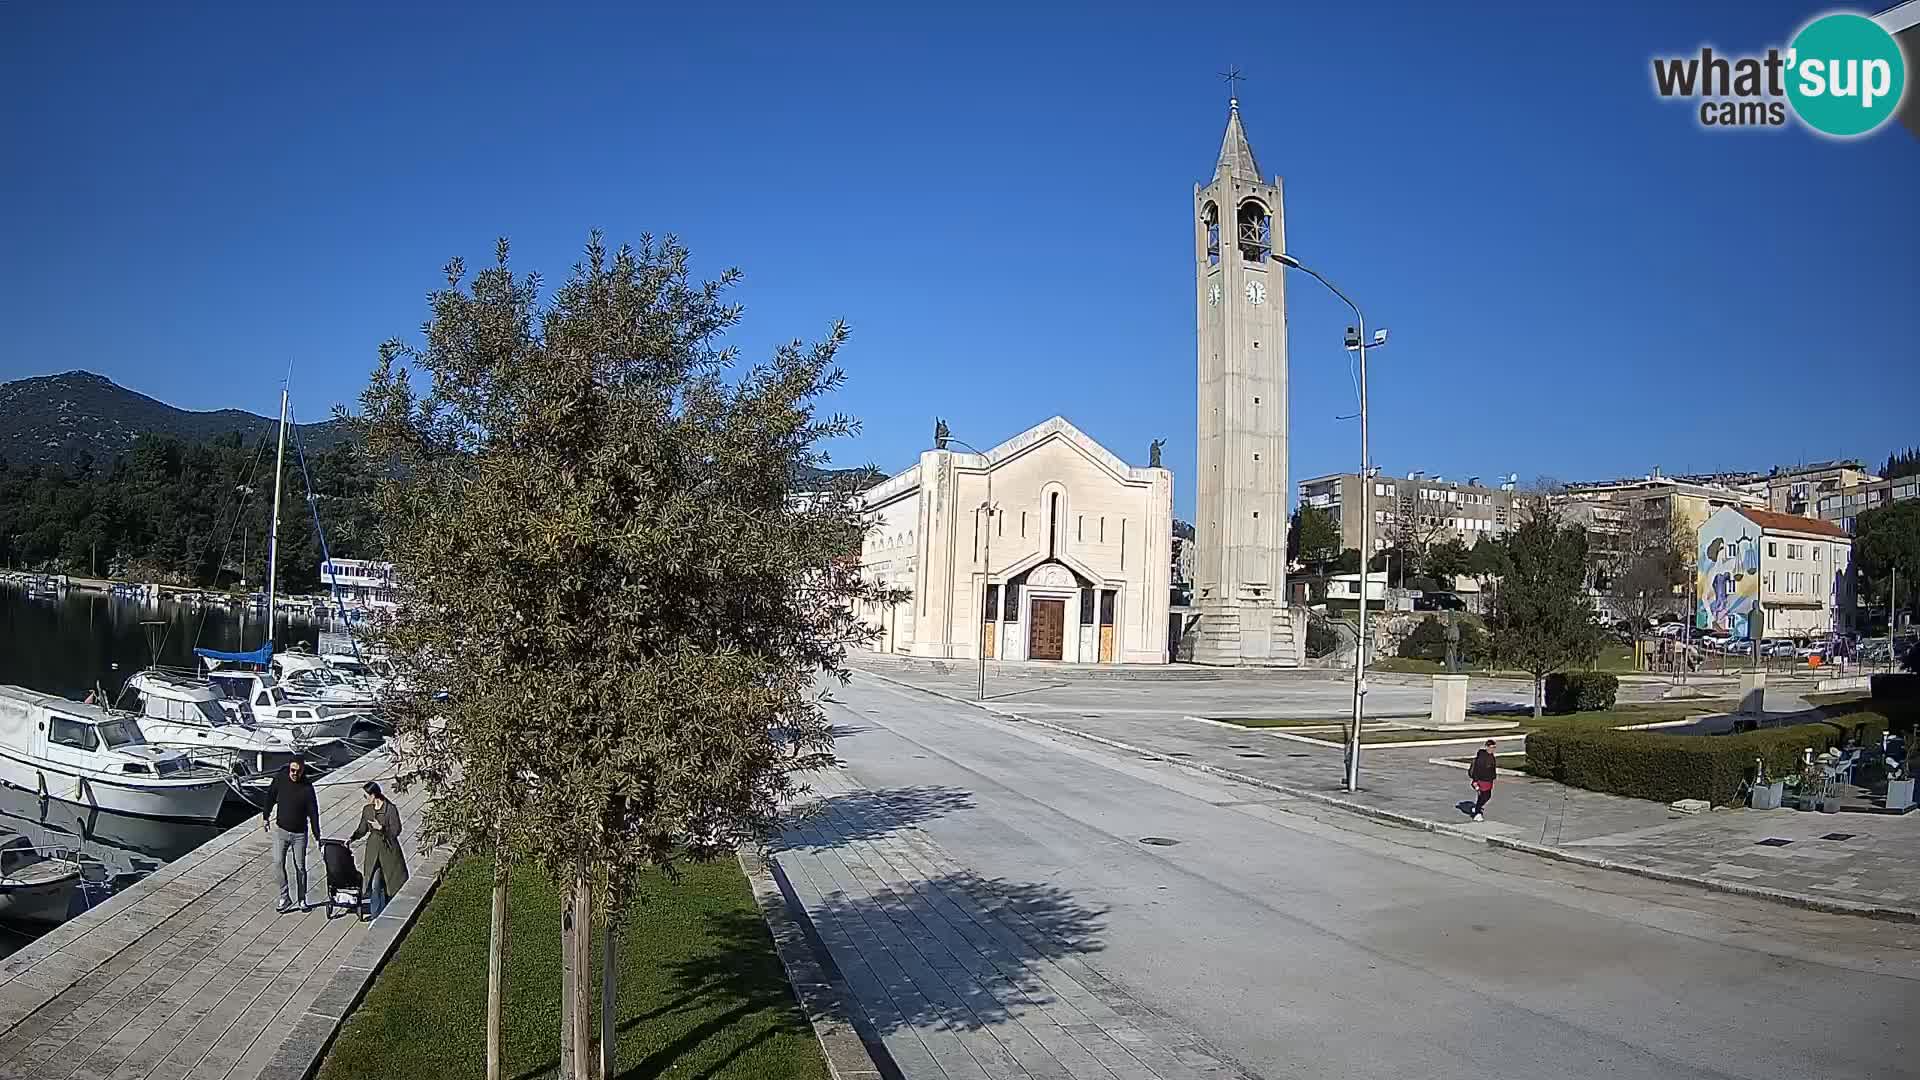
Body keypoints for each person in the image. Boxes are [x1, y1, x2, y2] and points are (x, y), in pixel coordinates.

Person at [262, 758, 322, 913]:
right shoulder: (281, 778)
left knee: (300, 867)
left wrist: (317, 835)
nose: (294, 774)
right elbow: (270, 796)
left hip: (299, 834)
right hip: (281, 830)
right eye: (292, 770)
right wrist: (265, 816)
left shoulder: (307, 788)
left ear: (302, 771)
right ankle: (284, 896)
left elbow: (313, 813)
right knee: (277, 862)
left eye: (298, 771)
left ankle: (302, 899)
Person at [349, 781, 408, 919]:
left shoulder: (390, 809)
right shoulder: (367, 810)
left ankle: (390, 910)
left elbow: (396, 830)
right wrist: (352, 838)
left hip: (388, 850)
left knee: (390, 883)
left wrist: (382, 828)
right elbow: (362, 829)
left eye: (366, 796)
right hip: (373, 849)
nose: (365, 799)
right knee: (374, 883)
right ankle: (375, 913)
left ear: (373, 795)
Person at [1467, 739, 1498, 822]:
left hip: (1489, 780)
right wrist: (1475, 782)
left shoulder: (1491, 756)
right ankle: (1477, 813)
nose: (1492, 749)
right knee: (1482, 797)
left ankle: (1477, 807)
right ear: (1486, 747)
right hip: (1481, 780)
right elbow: (1477, 770)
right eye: (1491, 747)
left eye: (1494, 747)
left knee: (1487, 796)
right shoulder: (1481, 757)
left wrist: (1493, 777)